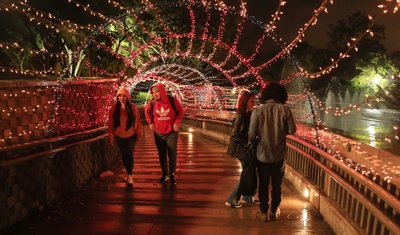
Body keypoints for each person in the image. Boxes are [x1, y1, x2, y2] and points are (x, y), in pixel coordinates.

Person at [248, 82, 297, 222]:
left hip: (262, 153)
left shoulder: (258, 111)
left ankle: (263, 212)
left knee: (263, 183)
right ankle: (274, 209)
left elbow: (251, 134)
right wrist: (282, 131)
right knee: (277, 184)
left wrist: (255, 143)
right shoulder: (285, 110)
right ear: (282, 95)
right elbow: (292, 130)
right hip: (279, 154)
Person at [144, 83, 184, 185]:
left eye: (157, 92)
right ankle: (165, 174)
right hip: (158, 133)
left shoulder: (172, 101)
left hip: (172, 132)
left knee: (172, 153)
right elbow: (147, 112)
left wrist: (176, 123)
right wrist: (150, 122)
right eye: (153, 92)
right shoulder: (152, 103)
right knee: (162, 154)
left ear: (162, 91)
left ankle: (173, 175)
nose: (155, 94)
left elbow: (180, 112)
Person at [225, 91, 257, 208]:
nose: (254, 103)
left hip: (244, 149)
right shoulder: (241, 116)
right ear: (245, 102)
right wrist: (247, 144)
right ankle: (232, 198)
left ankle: (247, 196)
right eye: (251, 101)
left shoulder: (248, 114)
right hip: (241, 150)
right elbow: (235, 135)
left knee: (248, 173)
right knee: (246, 175)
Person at [108, 87, 143, 186]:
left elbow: (137, 121)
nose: (122, 98)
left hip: (131, 134)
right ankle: (128, 173)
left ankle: (130, 175)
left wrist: (138, 133)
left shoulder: (133, 108)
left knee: (129, 153)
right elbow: (110, 123)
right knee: (124, 154)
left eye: (124, 96)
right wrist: (111, 135)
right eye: (119, 96)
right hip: (119, 135)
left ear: (127, 97)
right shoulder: (114, 109)